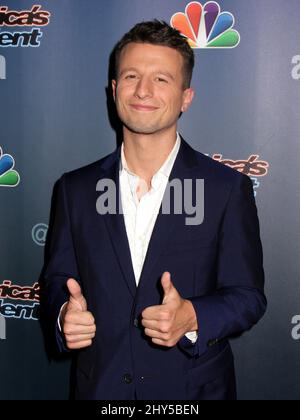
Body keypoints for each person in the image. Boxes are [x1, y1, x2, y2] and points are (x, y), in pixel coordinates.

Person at [40, 20, 266, 400]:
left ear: (186, 97)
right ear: (114, 90)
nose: (143, 90)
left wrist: (192, 316)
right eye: (131, 76)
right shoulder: (75, 190)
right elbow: (57, 281)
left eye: (161, 79)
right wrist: (64, 314)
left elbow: (248, 296)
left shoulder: (226, 189)